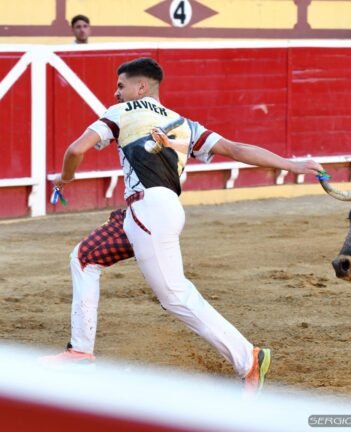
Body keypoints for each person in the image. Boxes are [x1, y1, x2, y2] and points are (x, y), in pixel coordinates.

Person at [42, 57, 324, 393]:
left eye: (121, 86)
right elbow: (236, 149)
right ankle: (80, 351)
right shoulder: (184, 124)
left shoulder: (121, 113)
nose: (116, 93)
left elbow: (76, 149)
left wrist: (66, 179)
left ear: (141, 87)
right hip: (147, 213)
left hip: (148, 212)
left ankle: (249, 358)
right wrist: (292, 164)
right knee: (84, 257)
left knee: (176, 296)